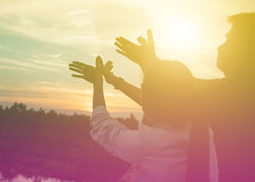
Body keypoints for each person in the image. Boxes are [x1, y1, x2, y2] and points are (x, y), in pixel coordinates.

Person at [113, 12, 255, 182]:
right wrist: (148, 64)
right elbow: (168, 92)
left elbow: (160, 99)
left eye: (229, 41)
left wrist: (147, 63)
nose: (220, 46)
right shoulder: (249, 90)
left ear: (248, 50)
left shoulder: (237, 93)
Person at [69, 56, 219, 182]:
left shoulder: (148, 144)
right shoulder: (204, 130)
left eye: (144, 88)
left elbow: (103, 126)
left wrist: (98, 83)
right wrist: (114, 80)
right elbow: (167, 99)